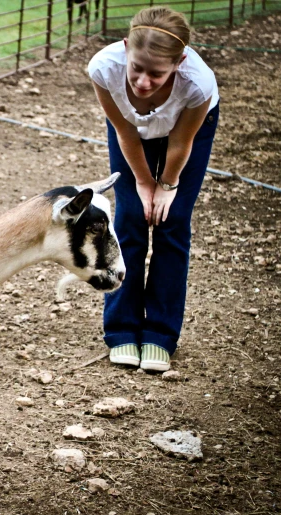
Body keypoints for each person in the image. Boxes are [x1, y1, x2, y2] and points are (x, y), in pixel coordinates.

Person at [87, 7, 219, 372]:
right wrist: (144, 183)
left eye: (157, 74)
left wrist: (168, 184)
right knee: (130, 217)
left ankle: (161, 334)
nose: (144, 82)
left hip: (186, 133)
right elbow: (126, 132)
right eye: (137, 69)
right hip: (130, 135)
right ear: (126, 48)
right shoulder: (103, 68)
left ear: (180, 62)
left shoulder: (198, 84)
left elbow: (180, 143)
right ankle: (122, 329)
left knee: (171, 220)